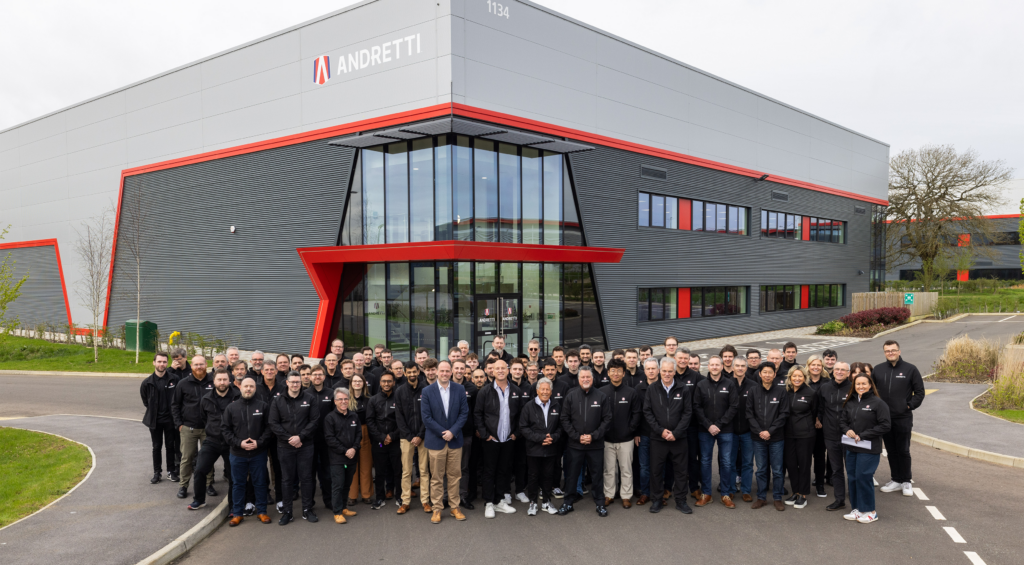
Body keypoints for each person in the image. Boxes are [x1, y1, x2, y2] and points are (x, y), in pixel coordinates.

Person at [557, 367, 612, 517]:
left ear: (592, 379)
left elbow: (607, 419)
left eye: (588, 377)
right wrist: (577, 436)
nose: (585, 379)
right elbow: (564, 419)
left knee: (597, 475)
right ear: (579, 379)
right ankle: (568, 503)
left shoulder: (601, 396)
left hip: (595, 445)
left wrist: (593, 436)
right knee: (572, 475)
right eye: (583, 377)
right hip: (575, 444)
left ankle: (600, 503)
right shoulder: (571, 396)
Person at [420, 360, 470, 524]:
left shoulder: (460, 389)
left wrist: (452, 432)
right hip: (436, 441)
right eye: (442, 371)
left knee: (455, 476)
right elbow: (426, 418)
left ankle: (455, 507)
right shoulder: (427, 391)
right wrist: (444, 433)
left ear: (451, 372)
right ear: (436, 372)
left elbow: (464, 413)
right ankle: (437, 509)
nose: (444, 374)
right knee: (436, 478)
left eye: (447, 371)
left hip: (455, 440)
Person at [873, 340, 925, 498]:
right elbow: (873, 391)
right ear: (884, 353)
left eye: (893, 350)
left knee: (903, 450)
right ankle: (895, 479)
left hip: (903, 417)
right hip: (884, 419)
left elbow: (920, 392)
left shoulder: (910, 369)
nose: (890, 353)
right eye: (887, 351)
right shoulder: (878, 369)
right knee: (890, 450)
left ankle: (906, 481)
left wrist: (908, 406)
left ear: (899, 351)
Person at [268, 371, 320, 525]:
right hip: (285, 446)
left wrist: (301, 437)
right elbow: (273, 423)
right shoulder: (278, 401)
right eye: (293, 382)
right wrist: (289, 438)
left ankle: (307, 509)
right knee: (286, 480)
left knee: (306, 478)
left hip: (305, 445)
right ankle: (288, 512)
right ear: (287, 383)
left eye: (298, 382)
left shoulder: (309, 398)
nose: (296, 384)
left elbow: (315, 421)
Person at [643, 358, 693, 515]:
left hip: (679, 438)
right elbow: (647, 412)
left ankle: (681, 500)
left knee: (680, 471)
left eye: (670, 371)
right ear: (659, 371)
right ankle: (657, 500)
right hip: (658, 438)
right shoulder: (652, 389)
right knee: (656, 470)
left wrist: (676, 433)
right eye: (664, 370)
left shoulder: (683, 389)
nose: (667, 374)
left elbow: (687, 413)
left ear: (675, 371)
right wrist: (661, 431)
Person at [474, 359, 523, 518]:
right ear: (492, 371)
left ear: (508, 370)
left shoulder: (516, 391)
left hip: (508, 439)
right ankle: (489, 503)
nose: (500, 371)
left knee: (504, 471)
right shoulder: (485, 391)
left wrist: (516, 432)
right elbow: (478, 414)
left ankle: (499, 500)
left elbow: (521, 415)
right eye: (497, 368)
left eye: (503, 368)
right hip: (491, 440)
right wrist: (485, 435)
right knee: (489, 471)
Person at [841, 373, 892, 524]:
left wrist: (863, 435)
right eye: (858, 384)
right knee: (853, 477)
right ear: (854, 386)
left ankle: (871, 511)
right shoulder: (850, 402)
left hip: (869, 448)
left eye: (864, 384)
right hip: (852, 447)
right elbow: (842, 421)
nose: (861, 386)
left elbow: (885, 425)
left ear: (870, 385)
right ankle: (857, 509)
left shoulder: (878, 403)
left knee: (864, 477)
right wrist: (847, 430)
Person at [223, 377, 273, 527]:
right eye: (246, 386)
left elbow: (269, 428)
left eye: (251, 386)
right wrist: (239, 443)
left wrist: (259, 443)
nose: (249, 389)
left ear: (255, 389)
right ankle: (237, 514)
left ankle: (262, 511)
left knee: (260, 483)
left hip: (258, 453)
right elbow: (225, 430)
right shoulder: (231, 408)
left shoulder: (263, 406)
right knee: (238, 484)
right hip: (238, 454)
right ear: (240, 388)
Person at [188, 368, 239, 511]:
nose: (222, 382)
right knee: (199, 470)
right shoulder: (206, 399)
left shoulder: (237, 397)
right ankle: (199, 500)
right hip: (212, 441)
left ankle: (233, 505)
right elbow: (204, 418)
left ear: (229, 380)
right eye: (219, 379)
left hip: (231, 443)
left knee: (234, 476)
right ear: (214, 381)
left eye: (225, 379)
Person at [693, 355, 739, 509]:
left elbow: (733, 407)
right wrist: (708, 425)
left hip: (725, 430)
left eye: (717, 365)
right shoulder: (701, 385)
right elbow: (696, 407)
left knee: (726, 462)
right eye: (711, 365)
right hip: (705, 430)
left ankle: (725, 494)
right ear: (708, 366)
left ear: (721, 366)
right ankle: (706, 494)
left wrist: (718, 424)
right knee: (705, 461)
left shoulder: (730, 384)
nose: (714, 367)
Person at [171, 355, 215, 499]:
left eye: (201, 364)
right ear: (192, 366)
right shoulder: (183, 383)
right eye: (196, 365)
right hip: (188, 427)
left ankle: (209, 484)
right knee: (187, 458)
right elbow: (175, 405)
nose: (199, 367)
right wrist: (179, 424)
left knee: (208, 457)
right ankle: (183, 486)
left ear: (206, 364)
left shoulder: (213, 381)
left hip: (209, 428)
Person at [747, 362, 789, 511]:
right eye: (764, 372)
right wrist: (760, 431)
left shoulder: (781, 392)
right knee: (761, 469)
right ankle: (761, 497)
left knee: (777, 470)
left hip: (776, 437)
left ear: (774, 374)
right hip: (758, 438)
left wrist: (770, 431)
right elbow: (749, 414)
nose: (767, 375)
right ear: (760, 374)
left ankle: (777, 498)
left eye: (770, 372)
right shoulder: (753, 391)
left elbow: (784, 414)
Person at [600, 360, 642, 509]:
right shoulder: (602, 392)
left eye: (618, 371)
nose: (615, 373)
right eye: (612, 370)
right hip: (607, 439)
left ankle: (626, 496)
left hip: (626, 439)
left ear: (624, 373)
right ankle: (609, 495)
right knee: (609, 470)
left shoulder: (631, 392)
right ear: (608, 373)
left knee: (626, 469)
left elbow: (637, 413)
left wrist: (630, 429)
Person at [519, 377, 562, 516]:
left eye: (547, 389)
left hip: (550, 448)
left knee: (548, 476)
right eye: (542, 389)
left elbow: (561, 426)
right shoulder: (528, 406)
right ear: (537, 391)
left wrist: (553, 437)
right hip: (534, 449)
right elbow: (523, 427)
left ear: (551, 391)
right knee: (533, 476)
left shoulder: (556, 405)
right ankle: (533, 502)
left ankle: (546, 502)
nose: (545, 392)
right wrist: (540, 438)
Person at [817, 361, 852, 511]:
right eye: (837, 369)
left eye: (843, 370)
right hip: (830, 435)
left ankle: (856, 498)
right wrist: (818, 420)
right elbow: (820, 408)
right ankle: (839, 500)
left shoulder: (853, 388)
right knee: (837, 470)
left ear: (848, 373)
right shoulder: (824, 388)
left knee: (851, 469)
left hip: (849, 436)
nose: (839, 372)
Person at [394, 363, 429, 514]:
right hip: (406, 437)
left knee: (424, 470)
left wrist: (420, 435)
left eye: (414, 371)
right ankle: (405, 501)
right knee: (406, 471)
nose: (412, 374)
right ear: (405, 373)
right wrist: (410, 436)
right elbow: (399, 416)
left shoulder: (426, 390)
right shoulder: (400, 391)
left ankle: (425, 501)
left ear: (418, 372)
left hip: (424, 436)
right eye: (409, 372)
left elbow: (428, 415)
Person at [141, 352, 180, 484]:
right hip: (155, 421)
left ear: (167, 363)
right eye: (159, 361)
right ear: (154, 363)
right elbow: (146, 401)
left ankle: (171, 471)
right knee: (156, 447)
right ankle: (157, 473)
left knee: (171, 446)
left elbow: (179, 398)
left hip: (171, 421)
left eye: (164, 362)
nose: (161, 364)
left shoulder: (175, 380)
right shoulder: (147, 383)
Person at [324, 387, 361, 524]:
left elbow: (358, 434)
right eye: (340, 399)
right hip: (338, 458)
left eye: (346, 399)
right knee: (338, 485)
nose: (343, 401)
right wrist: (345, 450)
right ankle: (337, 512)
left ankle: (344, 507)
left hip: (352, 456)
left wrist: (354, 448)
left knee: (347, 484)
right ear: (335, 401)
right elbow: (330, 439)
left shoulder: (354, 416)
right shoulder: (330, 418)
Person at [783, 366, 817, 509]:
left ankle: (803, 495)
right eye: (794, 376)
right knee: (791, 464)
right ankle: (795, 492)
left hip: (805, 435)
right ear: (790, 378)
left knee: (803, 464)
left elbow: (815, 412)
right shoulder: (786, 392)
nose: (797, 379)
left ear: (805, 377)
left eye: (800, 376)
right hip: (788, 434)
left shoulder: (811, 393)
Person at [366, 372, 402, 510]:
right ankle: (380, 497)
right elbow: (370, 421)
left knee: (398, 470)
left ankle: (399, 496)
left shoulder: (398, 399)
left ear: (393, 382)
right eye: (383, 381)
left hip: (396, 440)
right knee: (380, 471)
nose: (386, 384)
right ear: (380, 383)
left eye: (389, 381)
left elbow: (402, 420)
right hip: (379, 442)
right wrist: (382, 437)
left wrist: (392, 436)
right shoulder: (373, 400)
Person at [256, 358, 286, 510]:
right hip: (260, 435)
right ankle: (265, 493)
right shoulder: (256, 388)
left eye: (271, 370)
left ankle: (280, 497)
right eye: (266, 370)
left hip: (278, 436)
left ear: (276, 371)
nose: (269, 372)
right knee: (261, 467)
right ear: (261, 372)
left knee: (278, 467)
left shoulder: (283, 387)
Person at [307, 366, 337, 512]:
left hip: (327, 441)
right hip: (309, 441)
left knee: (327, 473)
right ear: (310, 377)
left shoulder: (331, 394)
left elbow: (336, 417)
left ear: (324, 377)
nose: (317, 377)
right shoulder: (305, 394)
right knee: (309, 474)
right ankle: (309, 503)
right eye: (315, 374)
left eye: (320, 374)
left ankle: (329, 500)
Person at [634, 357, 660, 505]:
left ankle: (659, 493)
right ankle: (645, 493)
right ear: (644, 371)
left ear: (658, 370)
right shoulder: (638, 389)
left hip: (660, 434)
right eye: (648, 369)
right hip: (643, 434)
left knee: (658, 466)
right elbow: (636, 413)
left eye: (653, 368)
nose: (651, 371)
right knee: (644, 466)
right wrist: (636, 432)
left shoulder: (663, 386)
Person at [729, 357, 756, 502]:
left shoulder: (753, 385)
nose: (740, 368)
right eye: (737, 366)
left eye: (742, 366)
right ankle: (732, 489)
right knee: (730, 462)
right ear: (732, 367)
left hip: (747, 431)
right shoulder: (727, 384)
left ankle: (746, 490)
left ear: (746, 368)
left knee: (747, 463)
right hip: (730, 431)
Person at [452, 360, 478, 509]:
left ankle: (463, 496)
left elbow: (474, 412)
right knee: (448, 468)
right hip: (448, 434)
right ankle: (447, 496)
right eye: (457, 368)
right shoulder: (446, 386)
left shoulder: (472, 389)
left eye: (462, 368)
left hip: (466, 434)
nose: (459, 371)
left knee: (464, 467)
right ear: (452, 369)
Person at [346, 374, 374, 506]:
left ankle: (366, 494)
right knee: (352, 465)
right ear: (351, 383)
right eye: (354, 381)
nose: (357, 383)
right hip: (349, 432)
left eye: (360, 381)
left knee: (366, 464)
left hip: (365, 431)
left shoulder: (369, 400)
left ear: (364, 383)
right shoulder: (346, 400)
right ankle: (352, 495)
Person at [805, 354, 831, 495]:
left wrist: (819, 419)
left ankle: (820, 484)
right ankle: (804, 485)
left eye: (818, 365)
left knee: (820, 456)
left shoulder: (828, 382)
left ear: (822, 367)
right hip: (805, 425)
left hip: (822, 425)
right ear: (808, 366)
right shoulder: (803, 381)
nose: (816, 367)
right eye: (813, 365)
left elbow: (826, 404)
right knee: (805, 456)